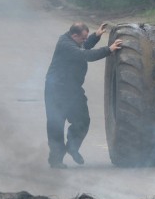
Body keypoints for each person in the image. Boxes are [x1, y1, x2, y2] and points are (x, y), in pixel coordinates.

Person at [45, 22, 123, 168]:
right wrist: (109, 49)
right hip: (56, 90)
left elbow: (84, 46)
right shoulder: (65, 44)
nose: (85, 41)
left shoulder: (75, 41)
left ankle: (72, 147)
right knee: (56, 125)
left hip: (73, 89)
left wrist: (96, 36)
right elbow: (85, 54)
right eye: (83, 38)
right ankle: (56, 160)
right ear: (74, 35)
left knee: (83, 121)